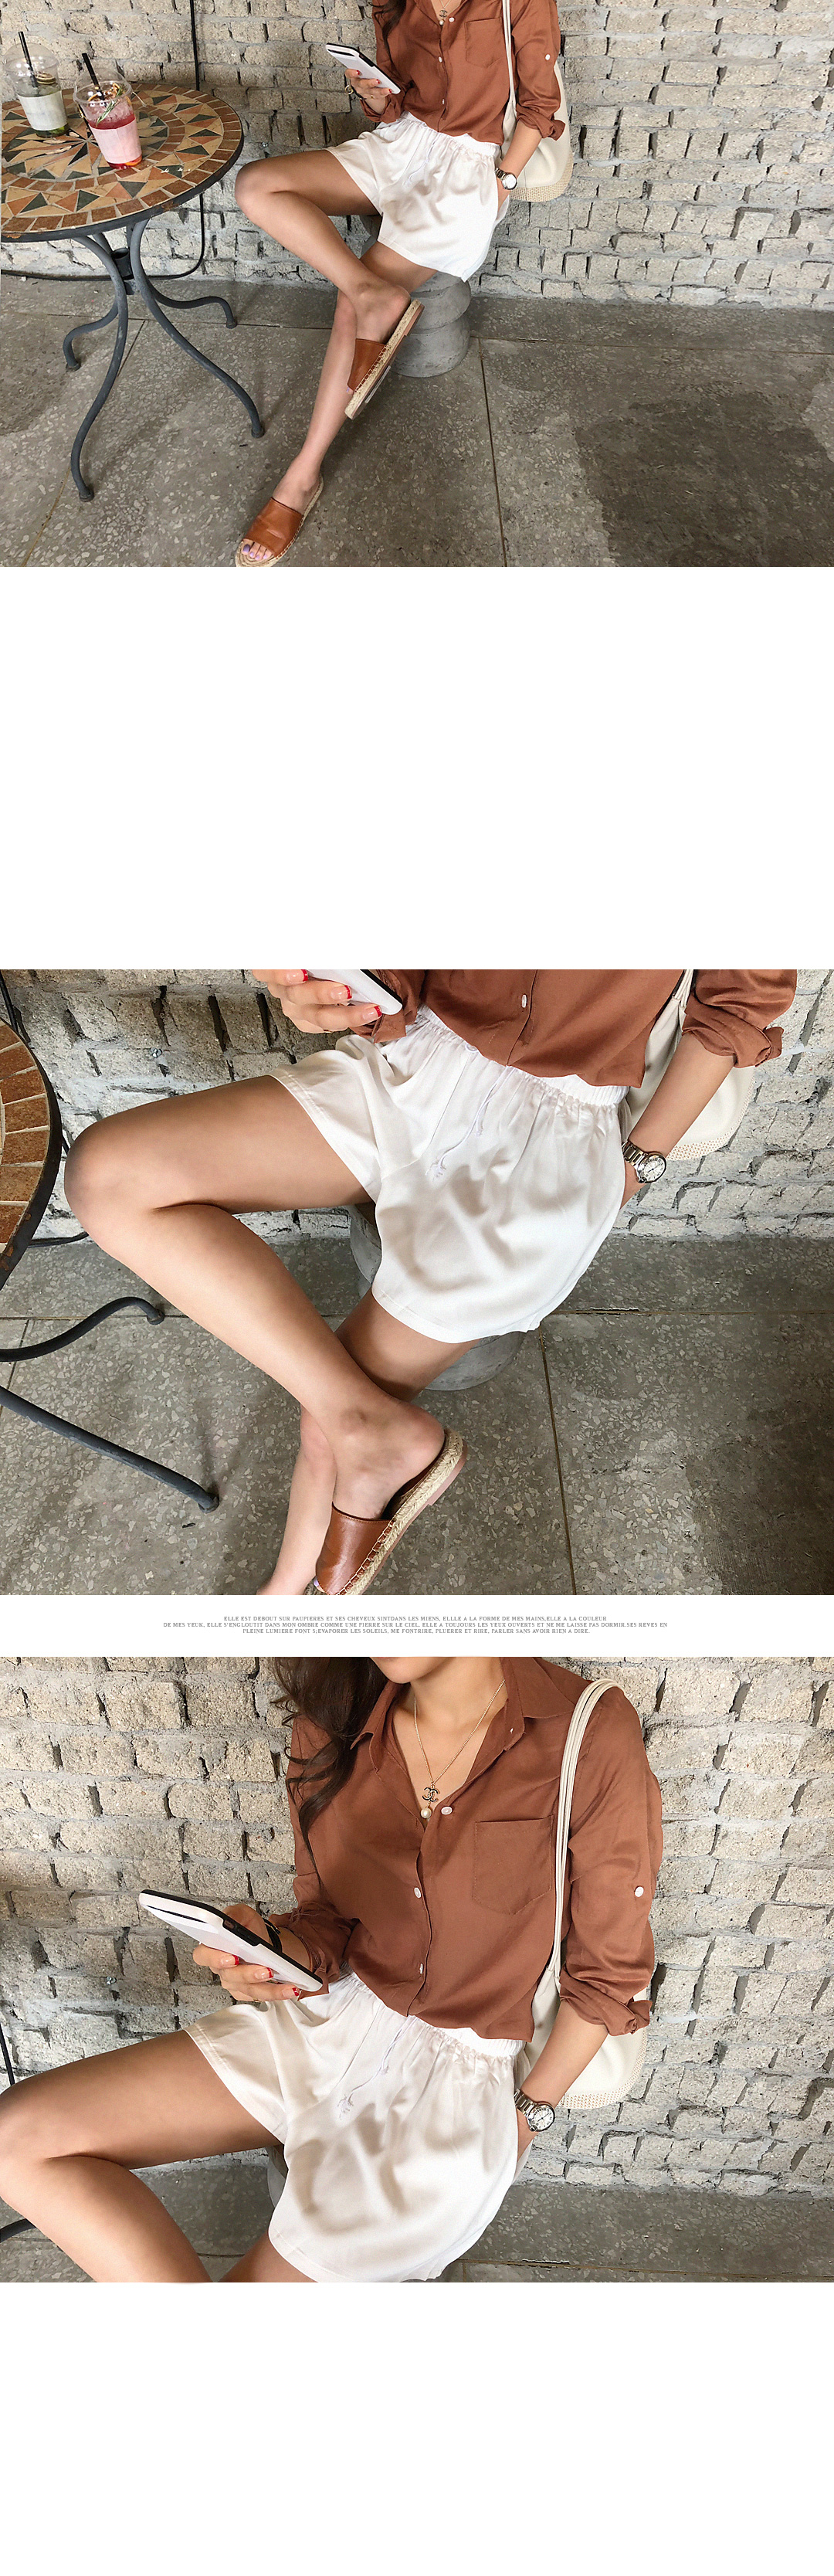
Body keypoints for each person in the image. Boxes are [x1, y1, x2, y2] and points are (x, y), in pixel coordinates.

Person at [63, 969, 796, 1597]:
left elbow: (738, 1002)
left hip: (554, 1127)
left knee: (330, 1419)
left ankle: (287, 1594)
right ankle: (355, 1452)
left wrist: (637, 1164)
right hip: (417, 1064)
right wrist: (335, 985)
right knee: (109, 1176)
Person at [0, 1652, 662, 2282]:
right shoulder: (332, 1717)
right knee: (18, 2138)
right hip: (327, 2023)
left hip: (461, 2083)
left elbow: (607, 1977)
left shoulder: (586, 1730)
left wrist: (525, 2118)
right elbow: (328, 1918)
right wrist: (274, 1951)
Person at [232, 0, 564, 566]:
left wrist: (503, 183)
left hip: (467, 168)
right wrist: (378, 96)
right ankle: (371, 293)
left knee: (347, 309)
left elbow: (539, 105)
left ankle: (302, 476)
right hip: (402, 146)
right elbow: (396, 104)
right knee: (256, 186)